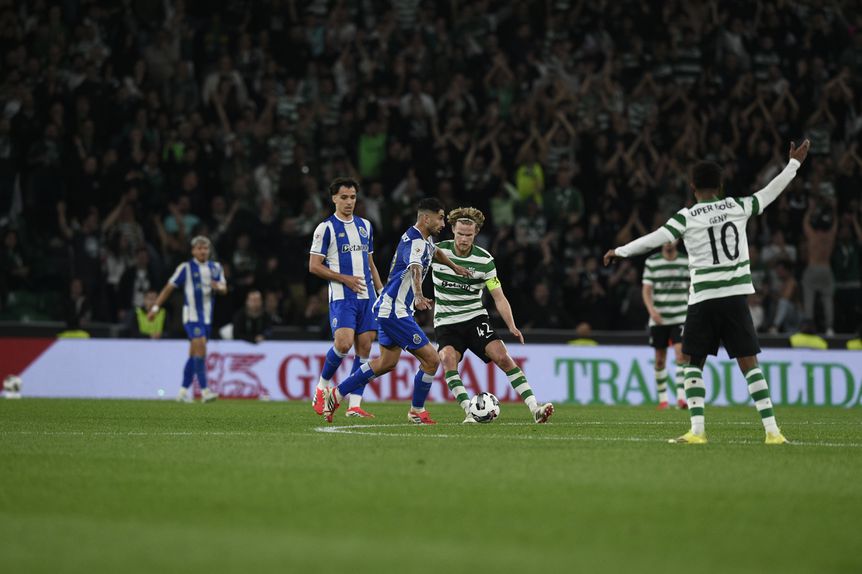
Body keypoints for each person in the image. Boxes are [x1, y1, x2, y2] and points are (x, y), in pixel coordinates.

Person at [604, 139, 810, 445]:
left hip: (703, 299)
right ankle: (773, 432)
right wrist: (793, 164)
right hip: (735, 296)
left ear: (692, 186)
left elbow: (654, 238)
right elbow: (768, 194)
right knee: (749, 364)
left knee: (691, 362)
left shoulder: (687, 216)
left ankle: (697, 431)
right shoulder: (737, 205)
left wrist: (620, 251)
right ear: (721, 185)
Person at [322, 198, 471, 424]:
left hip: (388, 308)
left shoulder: (424, 239)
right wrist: (419, 295)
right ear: (426, 218)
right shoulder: (416, 243)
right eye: (440, 217)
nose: (443, 222)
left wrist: (455, 267)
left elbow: (435, 253)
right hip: (395, 311)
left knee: (386, 362)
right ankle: (416, 411)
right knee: (431, 360)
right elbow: (415, 267)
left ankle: (336, 394)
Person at [432, 207, 554, 423]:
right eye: (460, 233)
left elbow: (498, 296)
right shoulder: (437, 252)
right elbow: (410, 268)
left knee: (503, 357)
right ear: (452, 230)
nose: (463, 239)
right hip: (446, 322)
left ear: (476, 233)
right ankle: (469, 410)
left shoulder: (485, 260)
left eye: (468, 235)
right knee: (448, 359)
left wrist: (512, 325)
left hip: (474, 318)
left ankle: (535, 408)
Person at [308, 177, 384, 418]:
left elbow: (370, 262)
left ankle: (354, 406)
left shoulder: (366, 226)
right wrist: (344, 278)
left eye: (352, 197)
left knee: (364, 348)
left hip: (367, 296)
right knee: (343, 343)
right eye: (344, 197)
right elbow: (314, 266)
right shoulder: (326, 228)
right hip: (342, 296)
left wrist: (381, 292)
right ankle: (322, 387)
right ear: (334, 199)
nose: (349, 202)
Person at [149, 235, 227, 403]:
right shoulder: (185, 267)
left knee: (194, 355)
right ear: (193, 251)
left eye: (205, 248)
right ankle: (205, 391)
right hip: (191, 317)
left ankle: (183, 392)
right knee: (201, 348)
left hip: (207, 318)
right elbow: (168, 288)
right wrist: (155, 307)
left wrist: (218, 287)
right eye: (199, 248)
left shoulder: (216, 268)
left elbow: (224, 288)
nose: (202, 251)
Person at [641, 240, 690, 410]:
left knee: (680, 354)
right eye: (666, 239)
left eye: (673, 239)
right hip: (659, 317)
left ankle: (681, 398)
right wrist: (651, 311)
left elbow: (692, 287)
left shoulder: (686, 261)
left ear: (677, 241)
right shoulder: (652, 262)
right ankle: (663, 400)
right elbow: (646, 290)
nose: (669, 242)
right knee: (660, 359)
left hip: (680, 316)